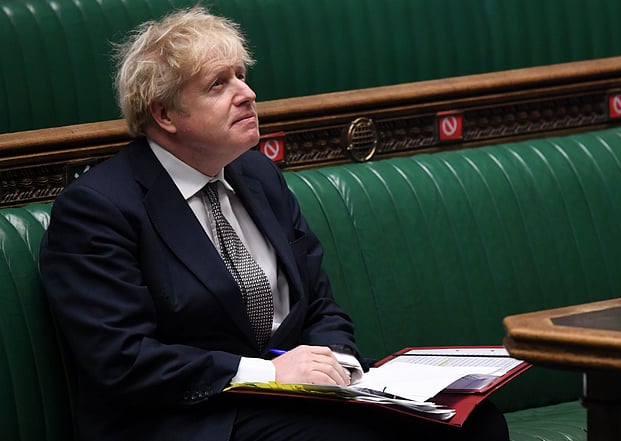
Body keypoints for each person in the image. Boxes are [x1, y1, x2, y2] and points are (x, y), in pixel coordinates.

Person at [39, 7, 508, 441]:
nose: (248, 94)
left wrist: (339, 364)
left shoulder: (255, 173)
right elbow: (122, 360)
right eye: (218, 85)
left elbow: (319, 303)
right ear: (164, 115)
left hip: (295, 398)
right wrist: (269, 375)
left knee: (477, 421)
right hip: (190, 417)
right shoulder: (99, 209)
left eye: (242, 75)